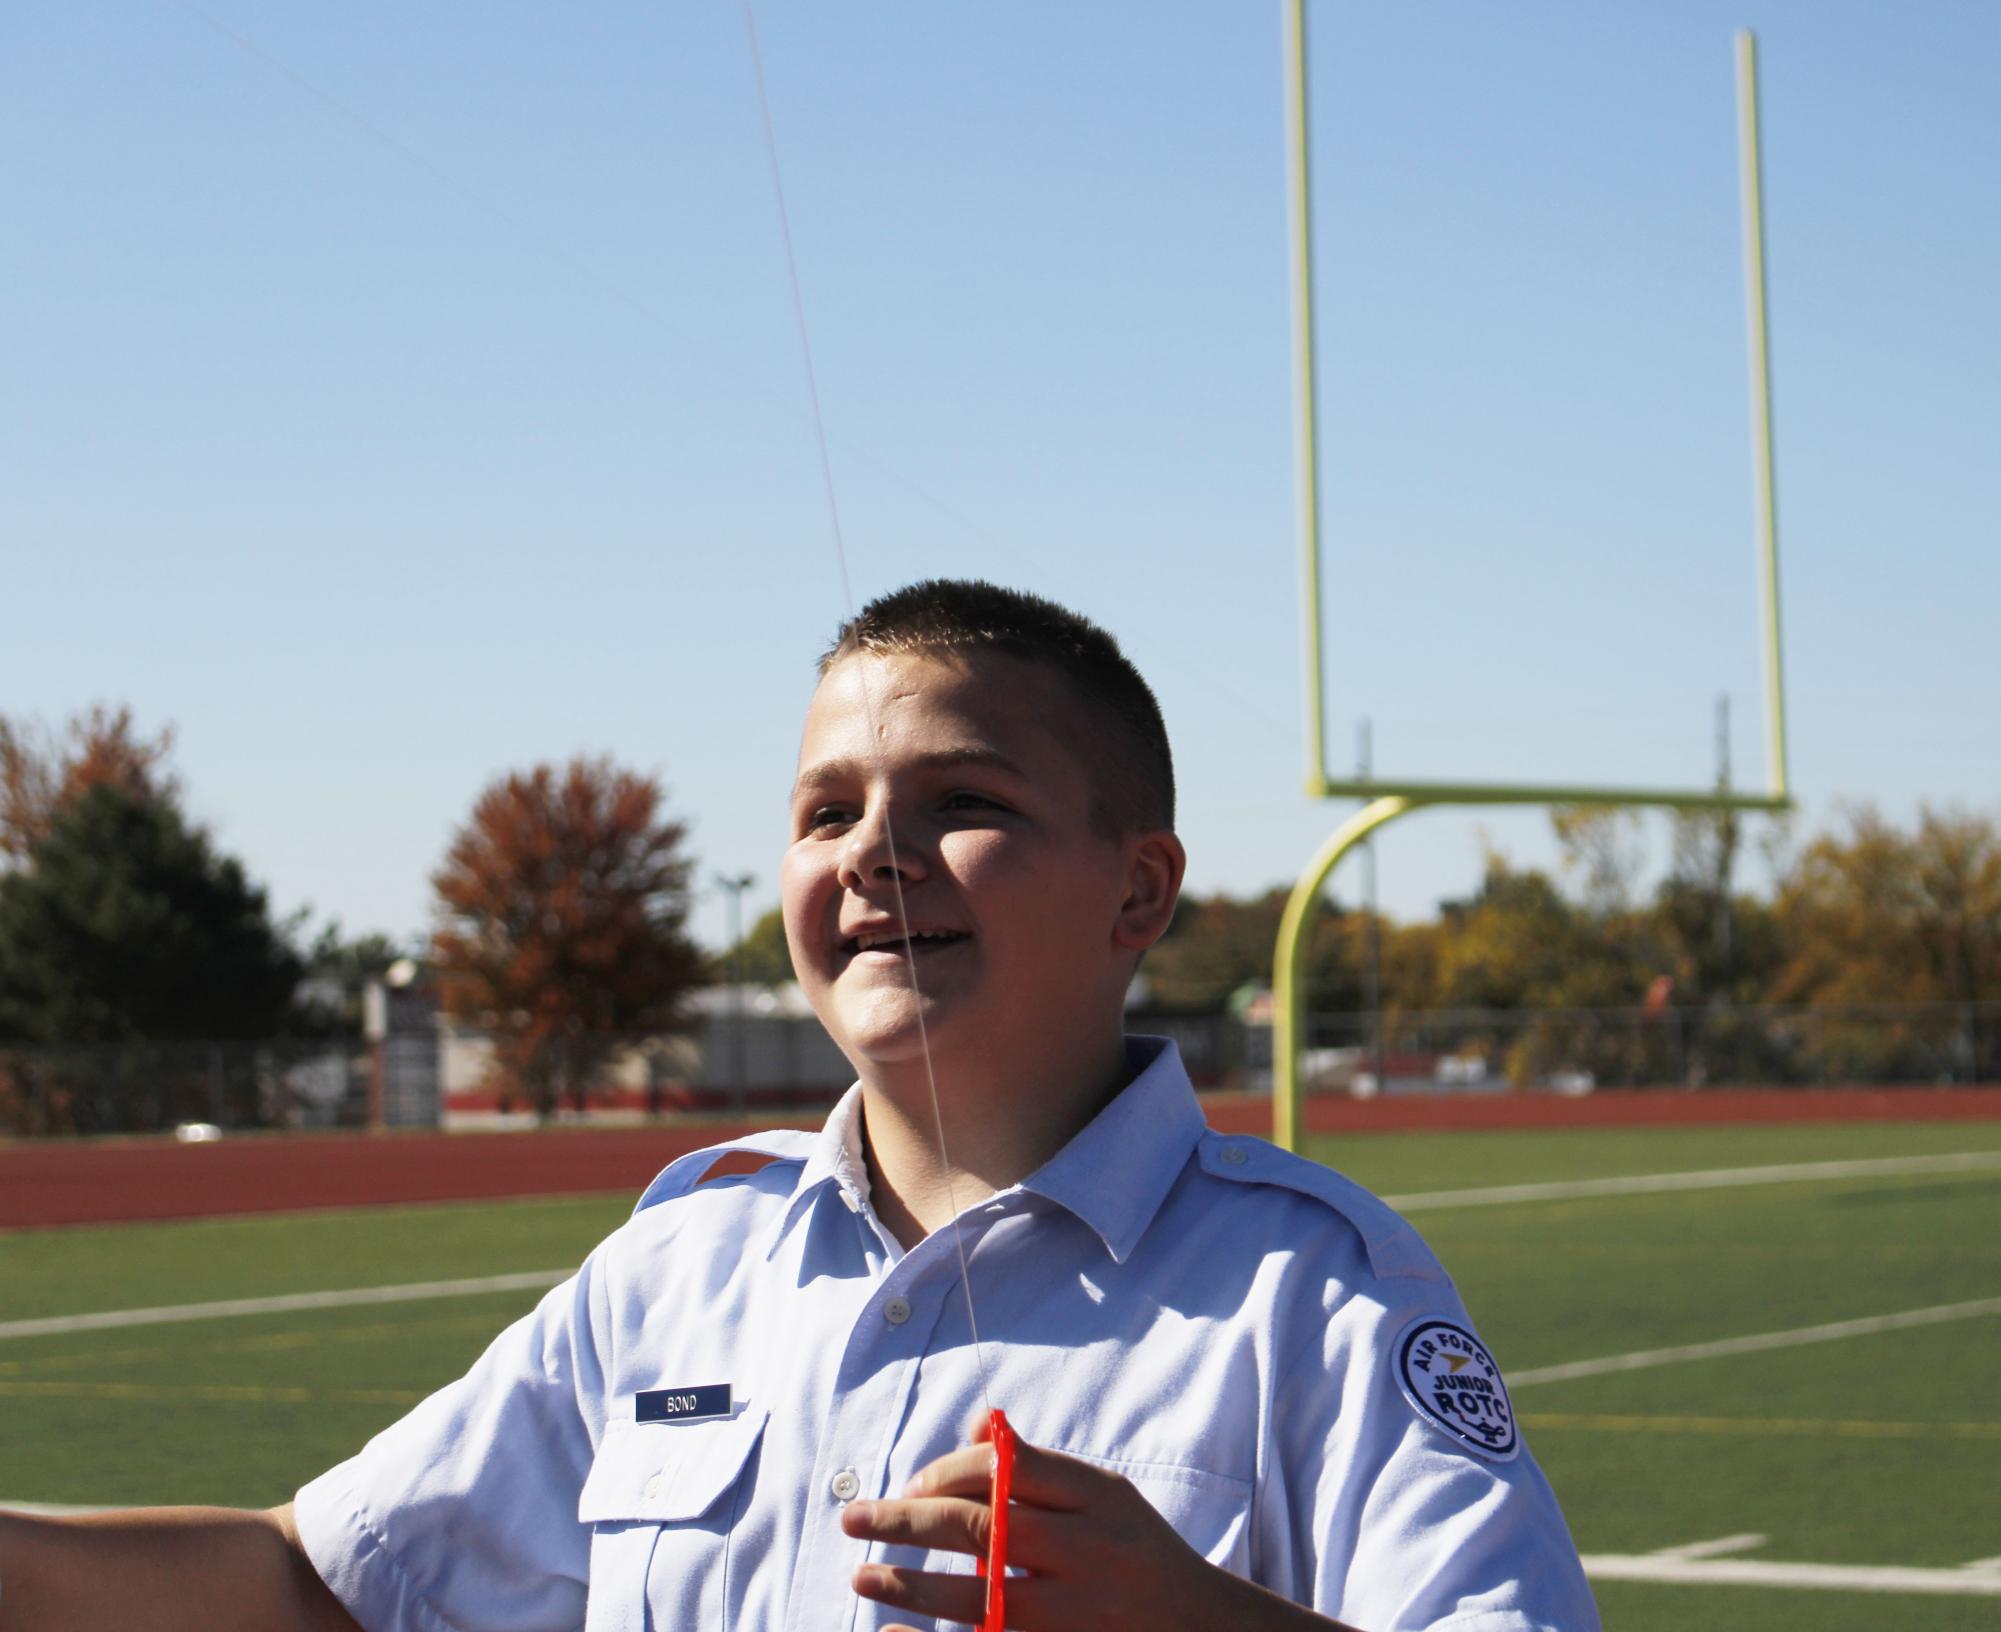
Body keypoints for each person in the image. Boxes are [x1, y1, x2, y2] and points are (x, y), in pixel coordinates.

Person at [0, 580, 1600, 1631]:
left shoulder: (1308, 1290)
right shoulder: (679, 1274)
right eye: (827, 811)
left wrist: (1194, 1617)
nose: (872, 853)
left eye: (964, 804)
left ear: (1140, 890)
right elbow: (316, 1580)